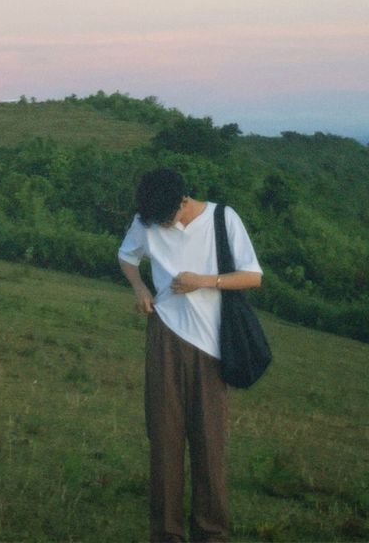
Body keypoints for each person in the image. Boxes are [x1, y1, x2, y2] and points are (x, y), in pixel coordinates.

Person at [118, 167, 263, 543]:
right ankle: (166, 533)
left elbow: (253, 276)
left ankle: (210, 533)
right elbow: (126, 256)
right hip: (165, 335)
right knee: (164, 439)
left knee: (208, 444)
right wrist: (139, 288)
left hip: (212, 346)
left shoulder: (222, 218)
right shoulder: (147, 219)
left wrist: (204, 280)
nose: (162, 226)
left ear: (183, 201)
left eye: (168, 218)